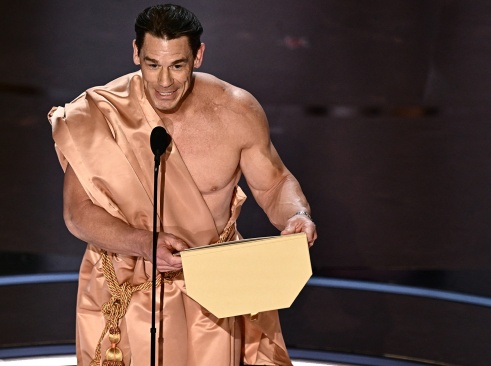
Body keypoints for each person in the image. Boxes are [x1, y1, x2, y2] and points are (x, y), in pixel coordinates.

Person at [48, 4, 317, 366]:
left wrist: (296, 214)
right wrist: (143, 243)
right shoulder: (100, 116)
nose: (164, 82)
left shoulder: (236, 111)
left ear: (198, 56)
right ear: (135, 53)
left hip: (214, 289)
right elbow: (77, 213)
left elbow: (274, 184)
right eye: (152, 64)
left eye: (177, 65)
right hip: (128, 286)